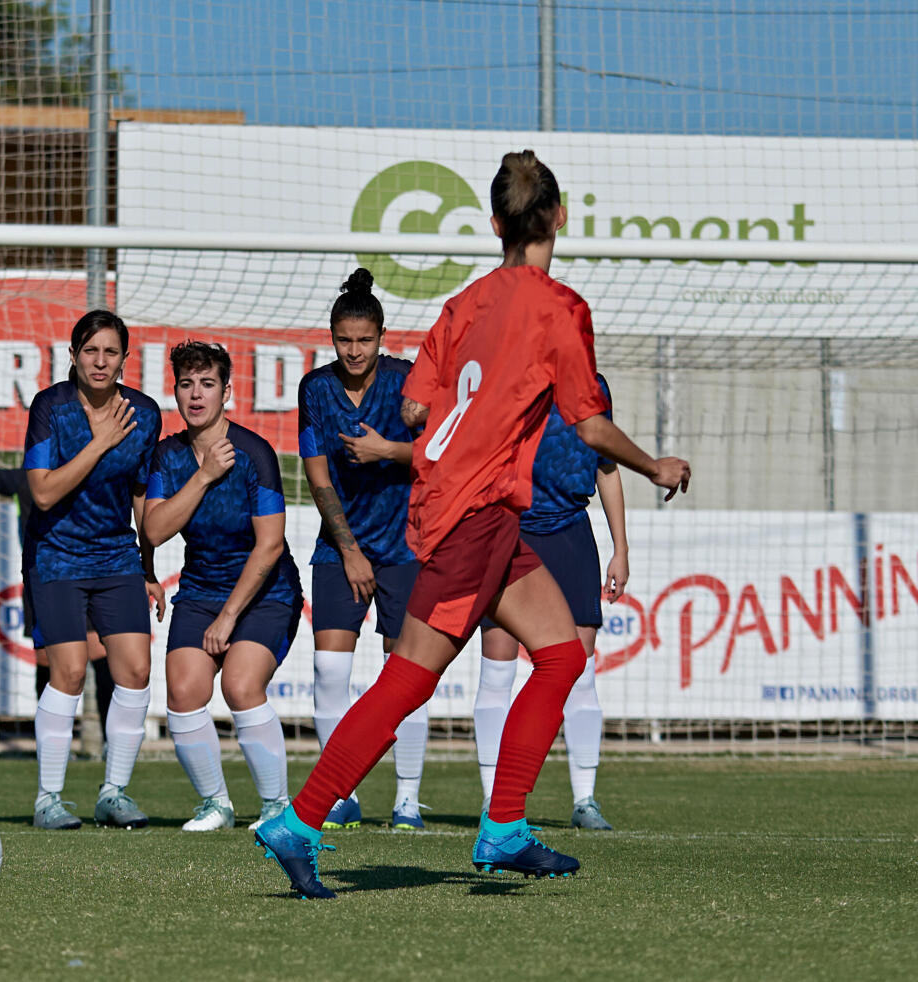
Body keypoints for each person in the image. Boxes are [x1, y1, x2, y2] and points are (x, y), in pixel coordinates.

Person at [254, 150, 690, 899]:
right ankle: (298, 821)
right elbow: (588, 425)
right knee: (407, 681)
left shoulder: (462, 304)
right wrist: (656, 467)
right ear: (559, 217)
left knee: (558, 656)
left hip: (463, 504)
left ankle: (504, 829)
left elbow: (419, 406)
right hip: (475, 514)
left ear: (494, 224)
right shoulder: (560, 308)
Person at [142, 341, 302, 832]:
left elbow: (270, 544)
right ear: (175, 392)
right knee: (184, 689)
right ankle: (216, 805)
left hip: (265, 592)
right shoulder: (168, 456)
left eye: (207, 384)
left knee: (239, 683)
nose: (196, 395)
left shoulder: (255, 453)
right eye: (187, 384)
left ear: (227, 392)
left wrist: (229, 617)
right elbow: (152, 530)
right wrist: (205, 475)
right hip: (201, 588)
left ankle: (277, 807)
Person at [23, 309, 165, 830]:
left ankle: (114, 792)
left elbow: (141, 495)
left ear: (125, 359)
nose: (100, 361)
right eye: (90, 351)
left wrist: (148, 567)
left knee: (136, 670)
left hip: (117, 557)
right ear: (73, 356)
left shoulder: (145, 414)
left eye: (110, 352)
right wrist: (100, 441)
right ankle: (48, 800)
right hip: (56, 555)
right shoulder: (50, 407)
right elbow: (42, 492)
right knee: (70, 670)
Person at [297, 268, 428, 831]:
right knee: (329, 671)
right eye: (345, 340)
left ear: (381, 337)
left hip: (405, 546)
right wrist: (348, 549)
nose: (354, 351)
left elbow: (438, 456)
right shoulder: (315, 389)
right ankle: (340, 793)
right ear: (333, 338)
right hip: (341, 549)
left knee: (407, 674)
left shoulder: (410, 380)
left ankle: (406, 800)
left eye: (365, 340)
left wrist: (386, 451)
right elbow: (316, 473)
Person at [474, 374, 626, 830]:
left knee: (580, 671)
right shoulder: (505, 376)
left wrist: (621, 548)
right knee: (496, 667)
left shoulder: (593, 388)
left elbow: (607, 467)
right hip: (510, 530)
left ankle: (585, 800)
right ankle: (491, 799)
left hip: (571, 536)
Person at [0, 396, 115, 733]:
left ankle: (109, 740)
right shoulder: (24, 480)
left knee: (100, 653)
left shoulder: (92, 475)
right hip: (43, 581)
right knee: (49, 662)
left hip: (87, 575)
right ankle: (54, 739)